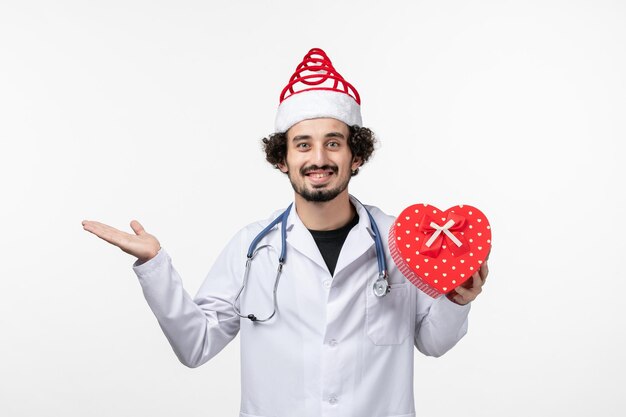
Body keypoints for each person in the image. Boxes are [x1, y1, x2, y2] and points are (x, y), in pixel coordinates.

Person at [82, 48, 488, 417]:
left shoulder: (397, 240)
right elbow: (195, 346)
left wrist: (457, 299)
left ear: (356, 155)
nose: (318, 158)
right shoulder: (252, 246)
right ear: (282, 158)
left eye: (333, 143)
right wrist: (154, 265)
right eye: (302, 145)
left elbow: (433, 342)